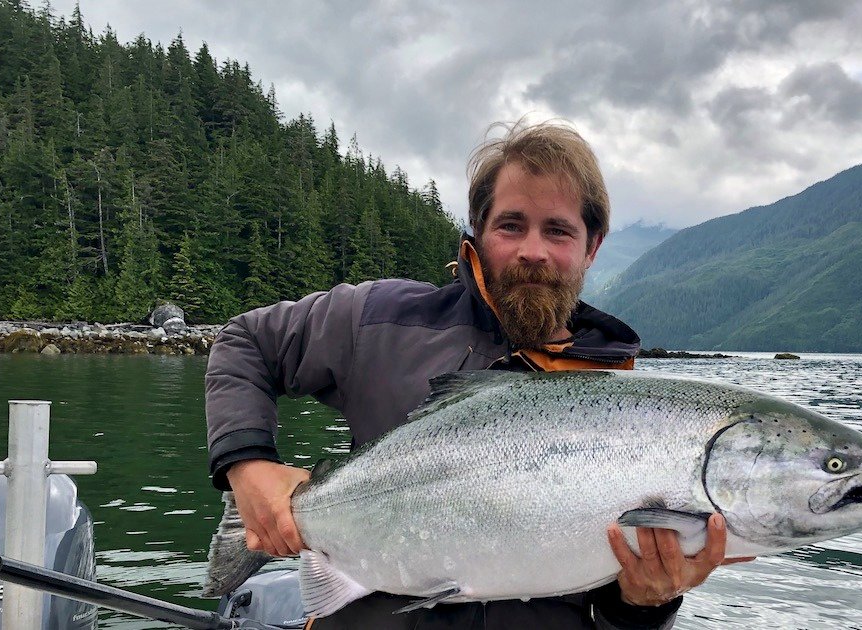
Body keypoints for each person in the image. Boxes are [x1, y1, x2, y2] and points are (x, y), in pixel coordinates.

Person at [204, 119, 751, 629]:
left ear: (593, 247)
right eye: (511, 225)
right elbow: (244, 342)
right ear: (479, 233)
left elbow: (612, 614)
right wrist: (248, 467)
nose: (532, 251)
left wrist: (645, 606)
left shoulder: (629, 412)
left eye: (558, 231)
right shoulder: (378, 321)